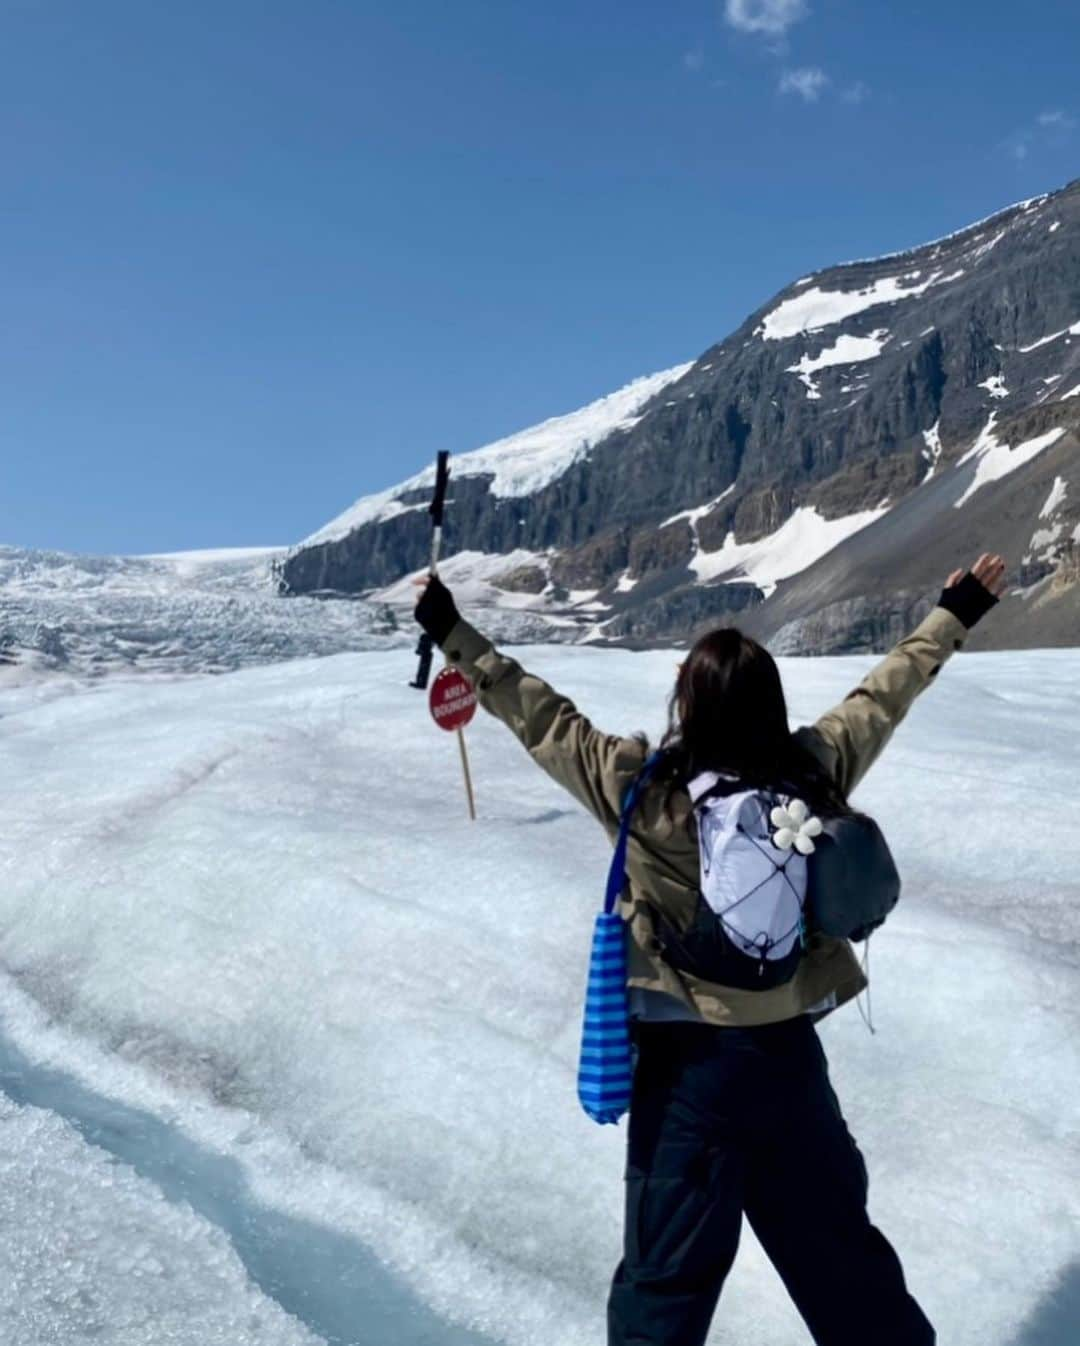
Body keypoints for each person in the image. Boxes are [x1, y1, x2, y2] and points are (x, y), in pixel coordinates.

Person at [414, 553, 1007, 1346]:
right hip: (788, 1064)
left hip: (687, 1075)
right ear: (771, 704)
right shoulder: (813, 770)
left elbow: (542, 717)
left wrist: (454, 633)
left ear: (686, 705)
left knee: (665, 1291)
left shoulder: (643, 792)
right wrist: (953, 614)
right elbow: (884, 696)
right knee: (848, 1274)